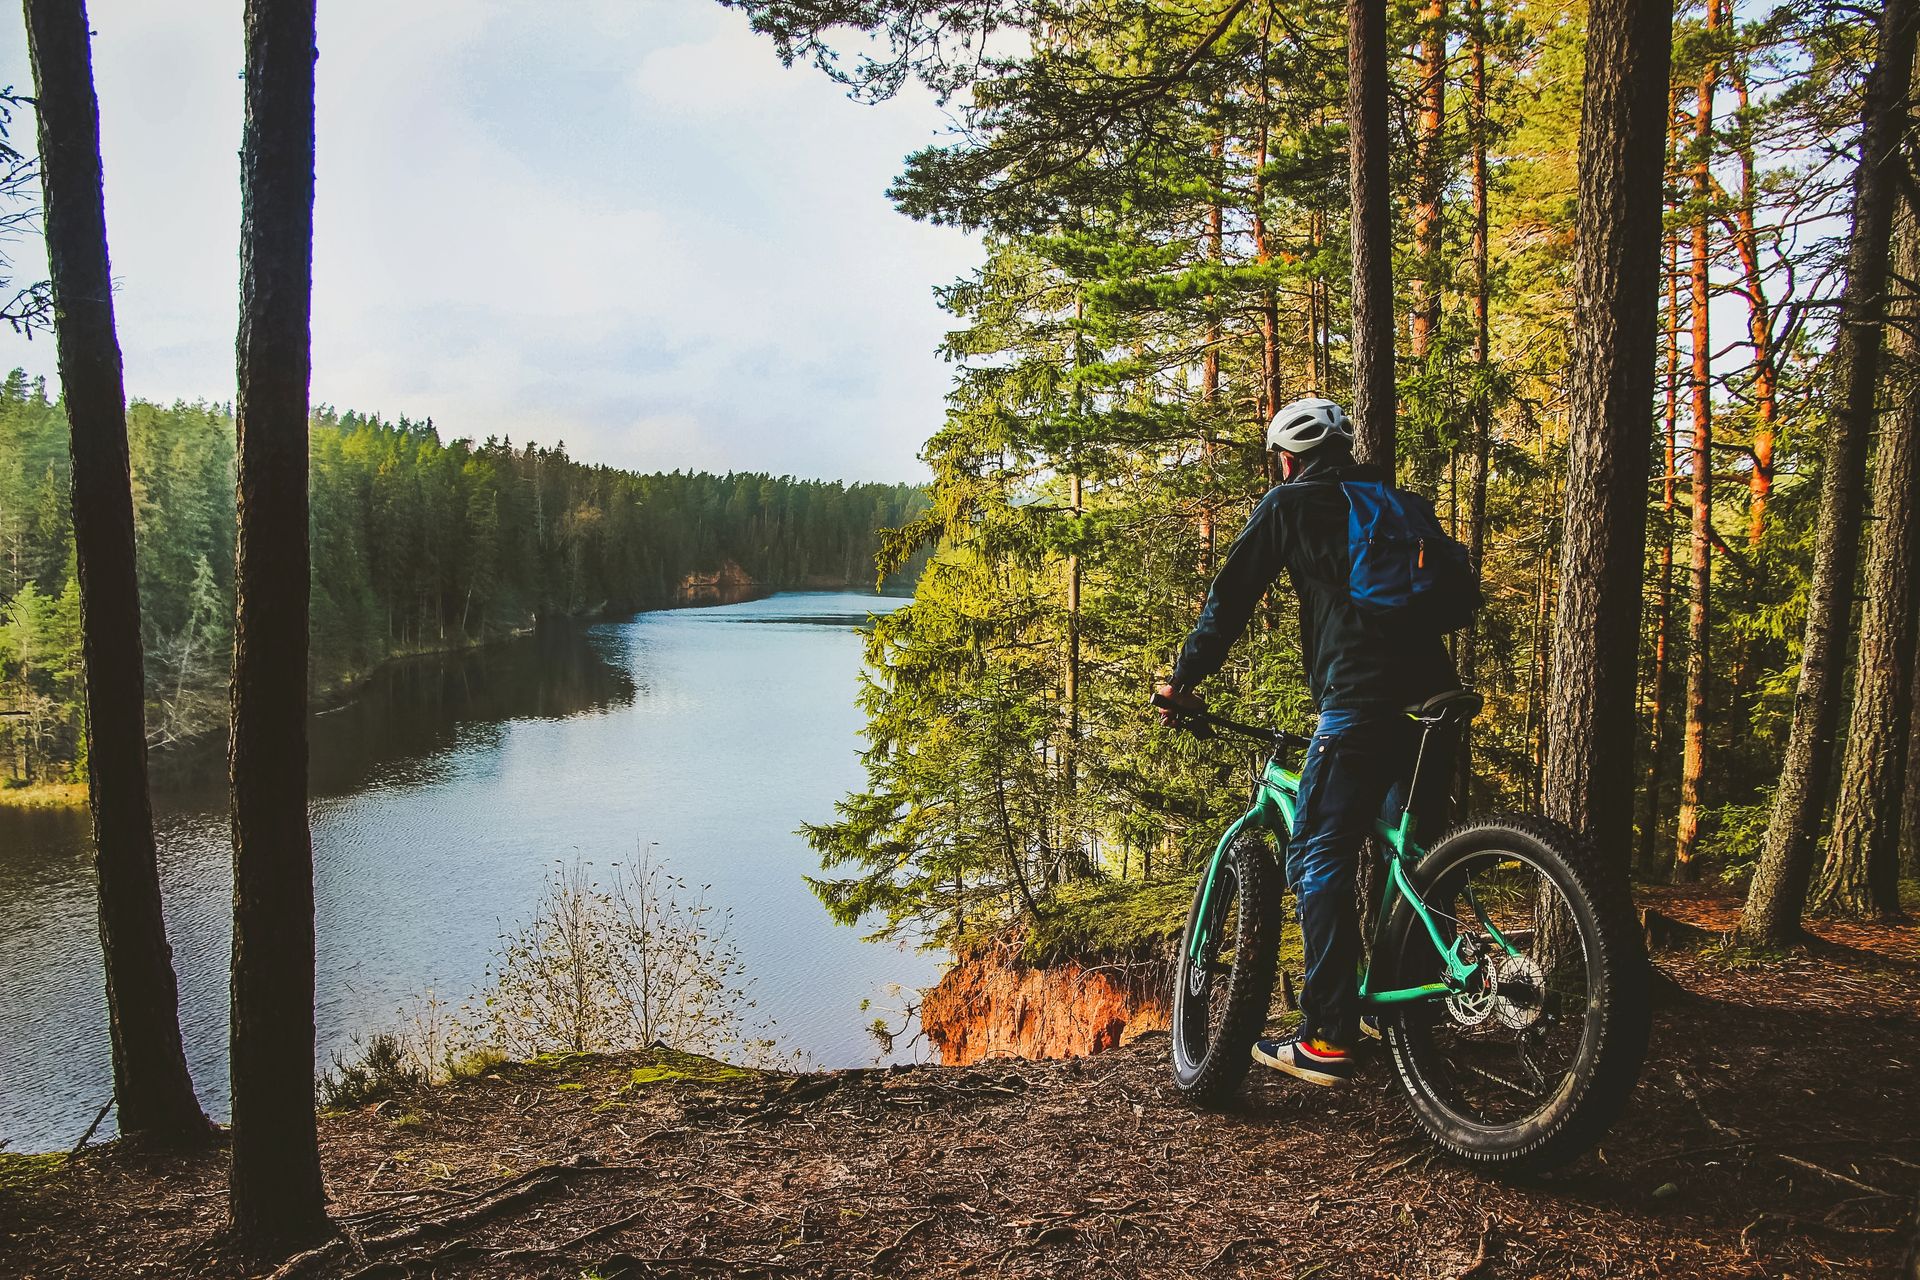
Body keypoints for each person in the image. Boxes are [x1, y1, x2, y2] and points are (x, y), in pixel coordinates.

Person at [1155, 396, 1459, 1087]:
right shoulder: (1391, 501)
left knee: (1319, 852)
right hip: (1435, 698)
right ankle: (1400, 1010)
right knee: (1406, 855)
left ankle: (1326, 1034)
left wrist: (1183, 680)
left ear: (1287, 458)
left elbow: (1229, 600)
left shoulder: (1290, 504)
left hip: (1360, 700)